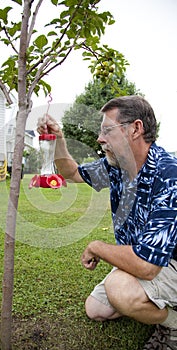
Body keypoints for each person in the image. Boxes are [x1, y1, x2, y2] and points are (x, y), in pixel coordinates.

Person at [37, 95, 177, 349]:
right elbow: (71, 173)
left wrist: (97, 246)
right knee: (97, 308)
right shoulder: (117, 166)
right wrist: (58, 139)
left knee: (119, 289)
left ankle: (174, 324)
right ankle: (149, 303)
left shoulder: (169, 176)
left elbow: (148, 267)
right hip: (139, 256)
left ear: (135, 128)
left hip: (168, 262)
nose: (100, 138)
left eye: (107, 130)